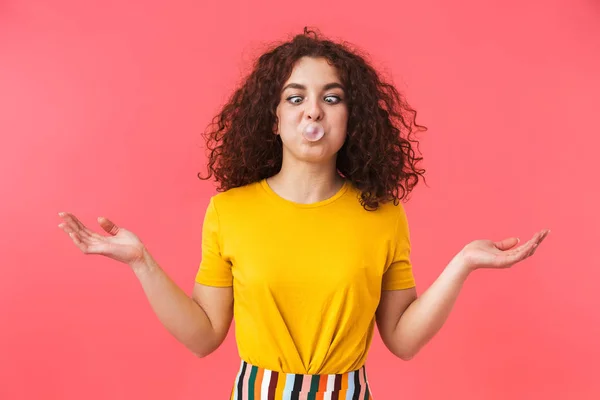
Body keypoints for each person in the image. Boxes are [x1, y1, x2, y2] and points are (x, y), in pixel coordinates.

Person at [58, 28, 549, 399]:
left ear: (351, 118)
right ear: (272, 119)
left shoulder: (382, 215)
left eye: (330, 98)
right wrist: (141, 261)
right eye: (295, 98)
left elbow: (402, 339)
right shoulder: (230, 211)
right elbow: (204, 335)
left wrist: (463, 263)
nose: (312, 112)